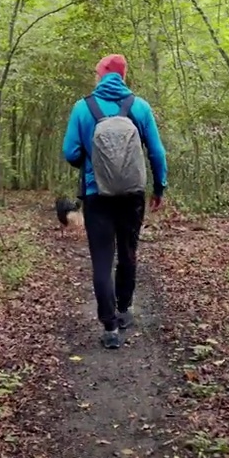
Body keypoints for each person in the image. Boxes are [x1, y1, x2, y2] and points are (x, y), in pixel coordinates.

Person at [62, 54, 167, 349]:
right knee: (128, 252)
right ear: (122, 76)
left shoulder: (83, 108)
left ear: (103, 74)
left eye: (97, 72)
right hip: (132, 195)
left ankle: (109, 327)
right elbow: (157, 152)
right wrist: (159, 187)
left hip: (97, 196)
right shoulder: (140, 107)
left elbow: (70, 153)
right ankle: (124, 310)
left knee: (102, 260)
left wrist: (91, 160)